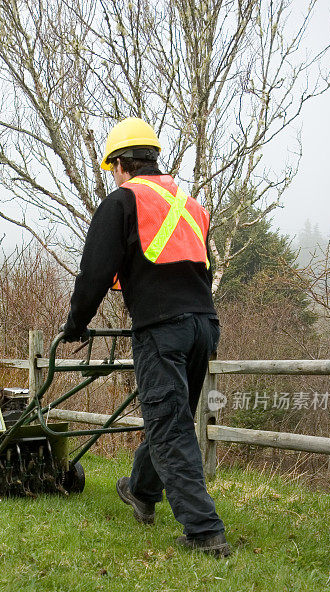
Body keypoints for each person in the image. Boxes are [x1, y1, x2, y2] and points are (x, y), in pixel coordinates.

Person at [63, 118, 230, 557]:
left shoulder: (121, 202)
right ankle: (140, 490)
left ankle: (204, 531)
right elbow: (204, 268)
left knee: (170, 424)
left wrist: (76, 323)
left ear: (120, 164)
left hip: (162, 327)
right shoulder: (190, 204)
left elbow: (95, 271)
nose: (112, 176)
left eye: (111, 168)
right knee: (172, 415)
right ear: (153, 159)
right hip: (203, 324)